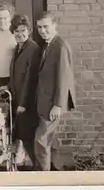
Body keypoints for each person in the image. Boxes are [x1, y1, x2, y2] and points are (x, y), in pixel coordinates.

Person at [33, 11, 76, 171]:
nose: (42, 31)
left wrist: (58, 105)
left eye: (46, 27)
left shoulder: (60, 46)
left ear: (54, 25)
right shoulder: (47, 44)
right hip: (44, 100)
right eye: (39, 27)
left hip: (52, 103)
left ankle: (42, 179)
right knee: (50, 140)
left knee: (41, 140)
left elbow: (64, 77)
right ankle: (54, 172)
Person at [5, 14, 40, 166]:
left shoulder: (32, 48)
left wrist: (23, 104)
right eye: (16, 31)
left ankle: (40, 169)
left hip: (26, 103)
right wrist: (7, 86)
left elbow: (30, 79)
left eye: (23, 30)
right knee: (22, 135)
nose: (20, 34)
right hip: (17, 98)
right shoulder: (18, 47)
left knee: (28, 137)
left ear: (30, 30)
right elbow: (17, 75)